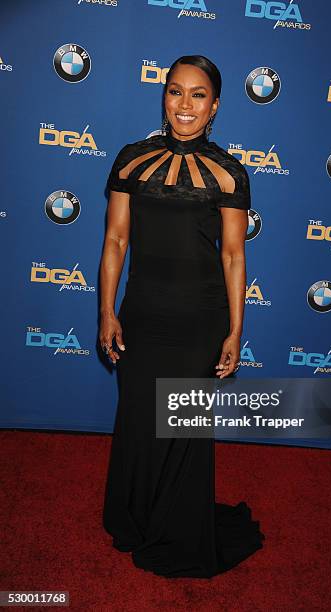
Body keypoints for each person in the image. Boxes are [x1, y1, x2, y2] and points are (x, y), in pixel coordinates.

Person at [100, 54, 265, 578]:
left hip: (200, 319)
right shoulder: (131, 160)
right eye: (175, 91)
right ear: (164, 96)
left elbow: (234, 256)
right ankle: (135, 518)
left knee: (184, 427)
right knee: (137, 420)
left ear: (214, 105)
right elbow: (115, 240)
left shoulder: (229, 172)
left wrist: (237, 329)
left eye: (197, 94)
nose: (185, 104)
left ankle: (177, 528)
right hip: (143, 313)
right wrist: (106, 310)